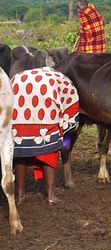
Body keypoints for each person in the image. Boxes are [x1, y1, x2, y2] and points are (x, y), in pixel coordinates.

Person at [10, 67, 80, 203]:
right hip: (45, 124)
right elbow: (69, 101)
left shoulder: (17, 77)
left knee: (19, 156)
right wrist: (65, 125)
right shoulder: (59, 79)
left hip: (18, 124)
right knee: (50, 154)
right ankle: (51, 196)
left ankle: (20, 195)